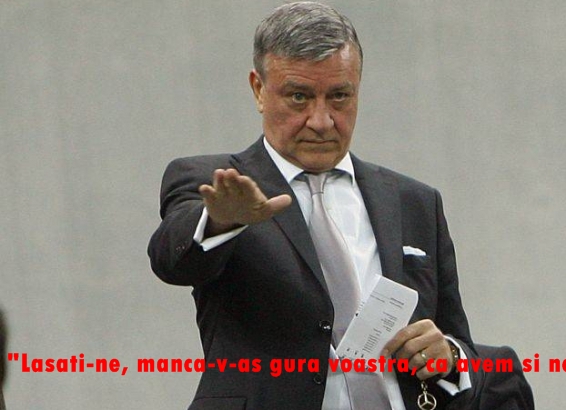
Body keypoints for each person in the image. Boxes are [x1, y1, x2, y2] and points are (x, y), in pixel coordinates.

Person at [149, 3, 531, 409]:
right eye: (299, 97)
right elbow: (173, 261)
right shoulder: (218, 185)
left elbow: (455, 339)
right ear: (259, 89)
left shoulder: (414, 201)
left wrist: (449, 357)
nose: (321, 121)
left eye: (339, 97)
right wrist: (220, 221)